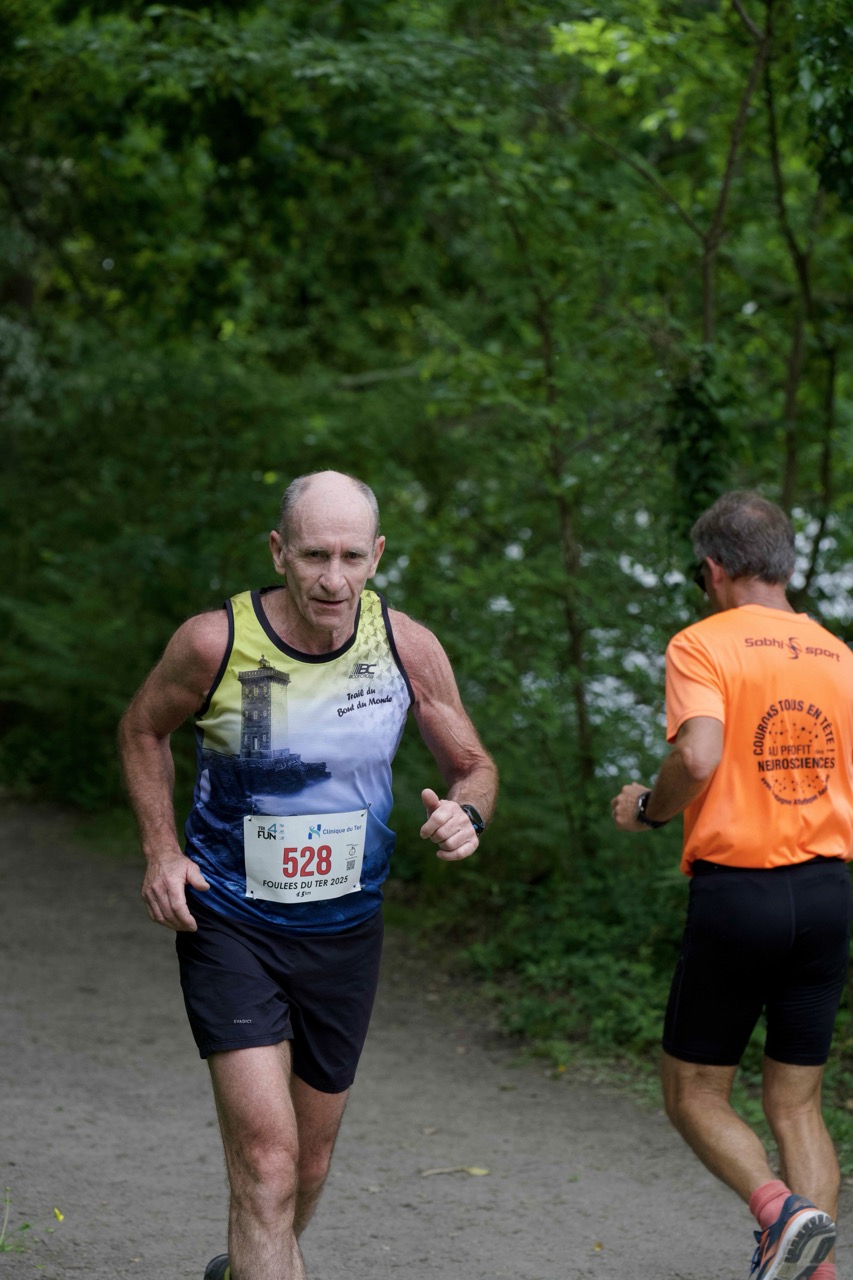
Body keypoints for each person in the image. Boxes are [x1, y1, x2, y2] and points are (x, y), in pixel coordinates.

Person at [118, 470, 498, 1280]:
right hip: (230, 922)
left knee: (309, 1165)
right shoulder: (213, 643)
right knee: (268, 1164)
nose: (333, 578)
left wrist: (467, 814)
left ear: (377, 556)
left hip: (345, 934)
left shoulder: (406, 647)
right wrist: (161, 850)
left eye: (352, 557)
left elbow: (473, 765)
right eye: (315, 555)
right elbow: (142, 730)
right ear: (278, 551)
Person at [610, 491, 853, 1280]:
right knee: (796, 1102)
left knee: (691, 1092)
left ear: (712, 569)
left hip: (741, 895)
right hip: (827, 894)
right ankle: (812, 1269)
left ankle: (778, 1212)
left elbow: (698, 756)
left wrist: (646, 810)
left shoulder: (701, 644)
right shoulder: (838, 656)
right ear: (783, 564)